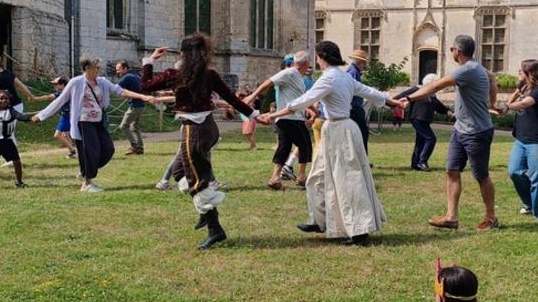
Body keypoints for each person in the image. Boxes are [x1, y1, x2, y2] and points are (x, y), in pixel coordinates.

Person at [258, 40, 402, 246]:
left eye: (316, 56)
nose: (315, 60)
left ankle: (359, 231)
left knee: (348, 180)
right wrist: (394, 101)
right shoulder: (341, 76)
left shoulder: (331, 78)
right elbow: (371, 92)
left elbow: (302, 102)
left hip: (341, 131)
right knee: (316, 177)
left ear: (322, 57)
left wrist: (272, 116)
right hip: (334, 129)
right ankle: (320, 220)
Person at [140, 35, 257, 249]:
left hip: (193, 131)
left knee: (196, 180)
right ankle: (205, 214)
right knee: (178, 172)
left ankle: (215, 229)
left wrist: (150, 60)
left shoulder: (176, 75)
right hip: (209, 128)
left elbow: (146, 85)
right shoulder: (209, 74)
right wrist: (253, 114)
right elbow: (232, 98)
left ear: (183, 54)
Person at [398, 35, 499, 231]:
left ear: (458, 52)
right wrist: (492, 103)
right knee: (452, 171)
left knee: (481, 176)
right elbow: (492, 80)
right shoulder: (478, 68)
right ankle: (451, 217)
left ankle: (491, 217)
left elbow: (434, 86)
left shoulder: (466, 70)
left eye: (452, 49)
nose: (452, 52)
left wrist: (408, 99)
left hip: (476, 132)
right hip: (461, 129)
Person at [32, 54, 154, 193]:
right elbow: (60, 101)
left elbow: (120, 91)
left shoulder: (102, 81)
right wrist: (41, 115)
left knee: (108, 150)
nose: (98, 70)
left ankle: (86, 172)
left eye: (98, 67)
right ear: (87, 68)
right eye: (96, 67)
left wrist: (142, 96)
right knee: (91, 151)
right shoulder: (76, 82)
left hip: (98, 121)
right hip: (83, 122)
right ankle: (86, 183)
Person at [245, 51, 313, 189]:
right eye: (308, 64)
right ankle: (301, 176)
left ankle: (275, 178)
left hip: (287, 118)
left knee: (284, 147)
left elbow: (301, 97)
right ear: (305, 64)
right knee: (305, 145)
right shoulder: (288, 73)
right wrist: (252, 96)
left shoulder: (298, 76)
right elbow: (267, 82)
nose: (309, 66)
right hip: (291, 118)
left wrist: (313, 110)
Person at [498, 59, 538, 222]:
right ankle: (529, 203)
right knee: (514, 171)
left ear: (530, 73)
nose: (518, 72)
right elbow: (515, 98)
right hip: (521, 139)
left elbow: (525, 103)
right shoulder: (523, 86)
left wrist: (509, 107)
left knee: (536, 177)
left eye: (521, 70)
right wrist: (505, 105)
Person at [400, 73, 452, 171]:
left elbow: (438, 105)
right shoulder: (417, 89)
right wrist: (393, 103)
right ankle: (422, 162)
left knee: (421, 141)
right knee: (430, 139)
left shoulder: (431, 93)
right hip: (417, 118)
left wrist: (447, 111)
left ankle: (415, 164)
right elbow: (401, 96)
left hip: (425, 120)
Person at [114, 60, 145, 155]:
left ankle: (134, 146)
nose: (117, 72)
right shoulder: (135, 74)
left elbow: (115, 89)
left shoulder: (126, 77)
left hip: (135, 106)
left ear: (125, 68)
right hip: (141, 104)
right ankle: (140, 148)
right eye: (116, 69)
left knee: (123, 126)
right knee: (135, 127)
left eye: (119, 69)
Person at [346, 49, 371, 153]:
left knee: (360, 134)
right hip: (354, 108)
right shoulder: (353, 72)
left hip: (353, 108)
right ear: (361, 62)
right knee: (362, 133)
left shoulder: (352, 71)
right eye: (364, 62)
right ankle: (362, 159)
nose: (365, 65)